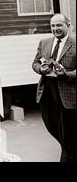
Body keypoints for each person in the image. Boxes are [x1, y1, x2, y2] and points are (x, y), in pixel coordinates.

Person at [32, 13, 75, 162]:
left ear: (67, 25)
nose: (55, 28)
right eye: (53, 25)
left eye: (59, 25)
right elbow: (35, 62)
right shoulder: (44, 43)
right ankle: (68, 151)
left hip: (68, 93)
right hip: (47, 91)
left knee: (68, 130)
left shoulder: (75, 43)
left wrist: (66, 74)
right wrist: (40, 69)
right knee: (51, 125)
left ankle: (67, 156)